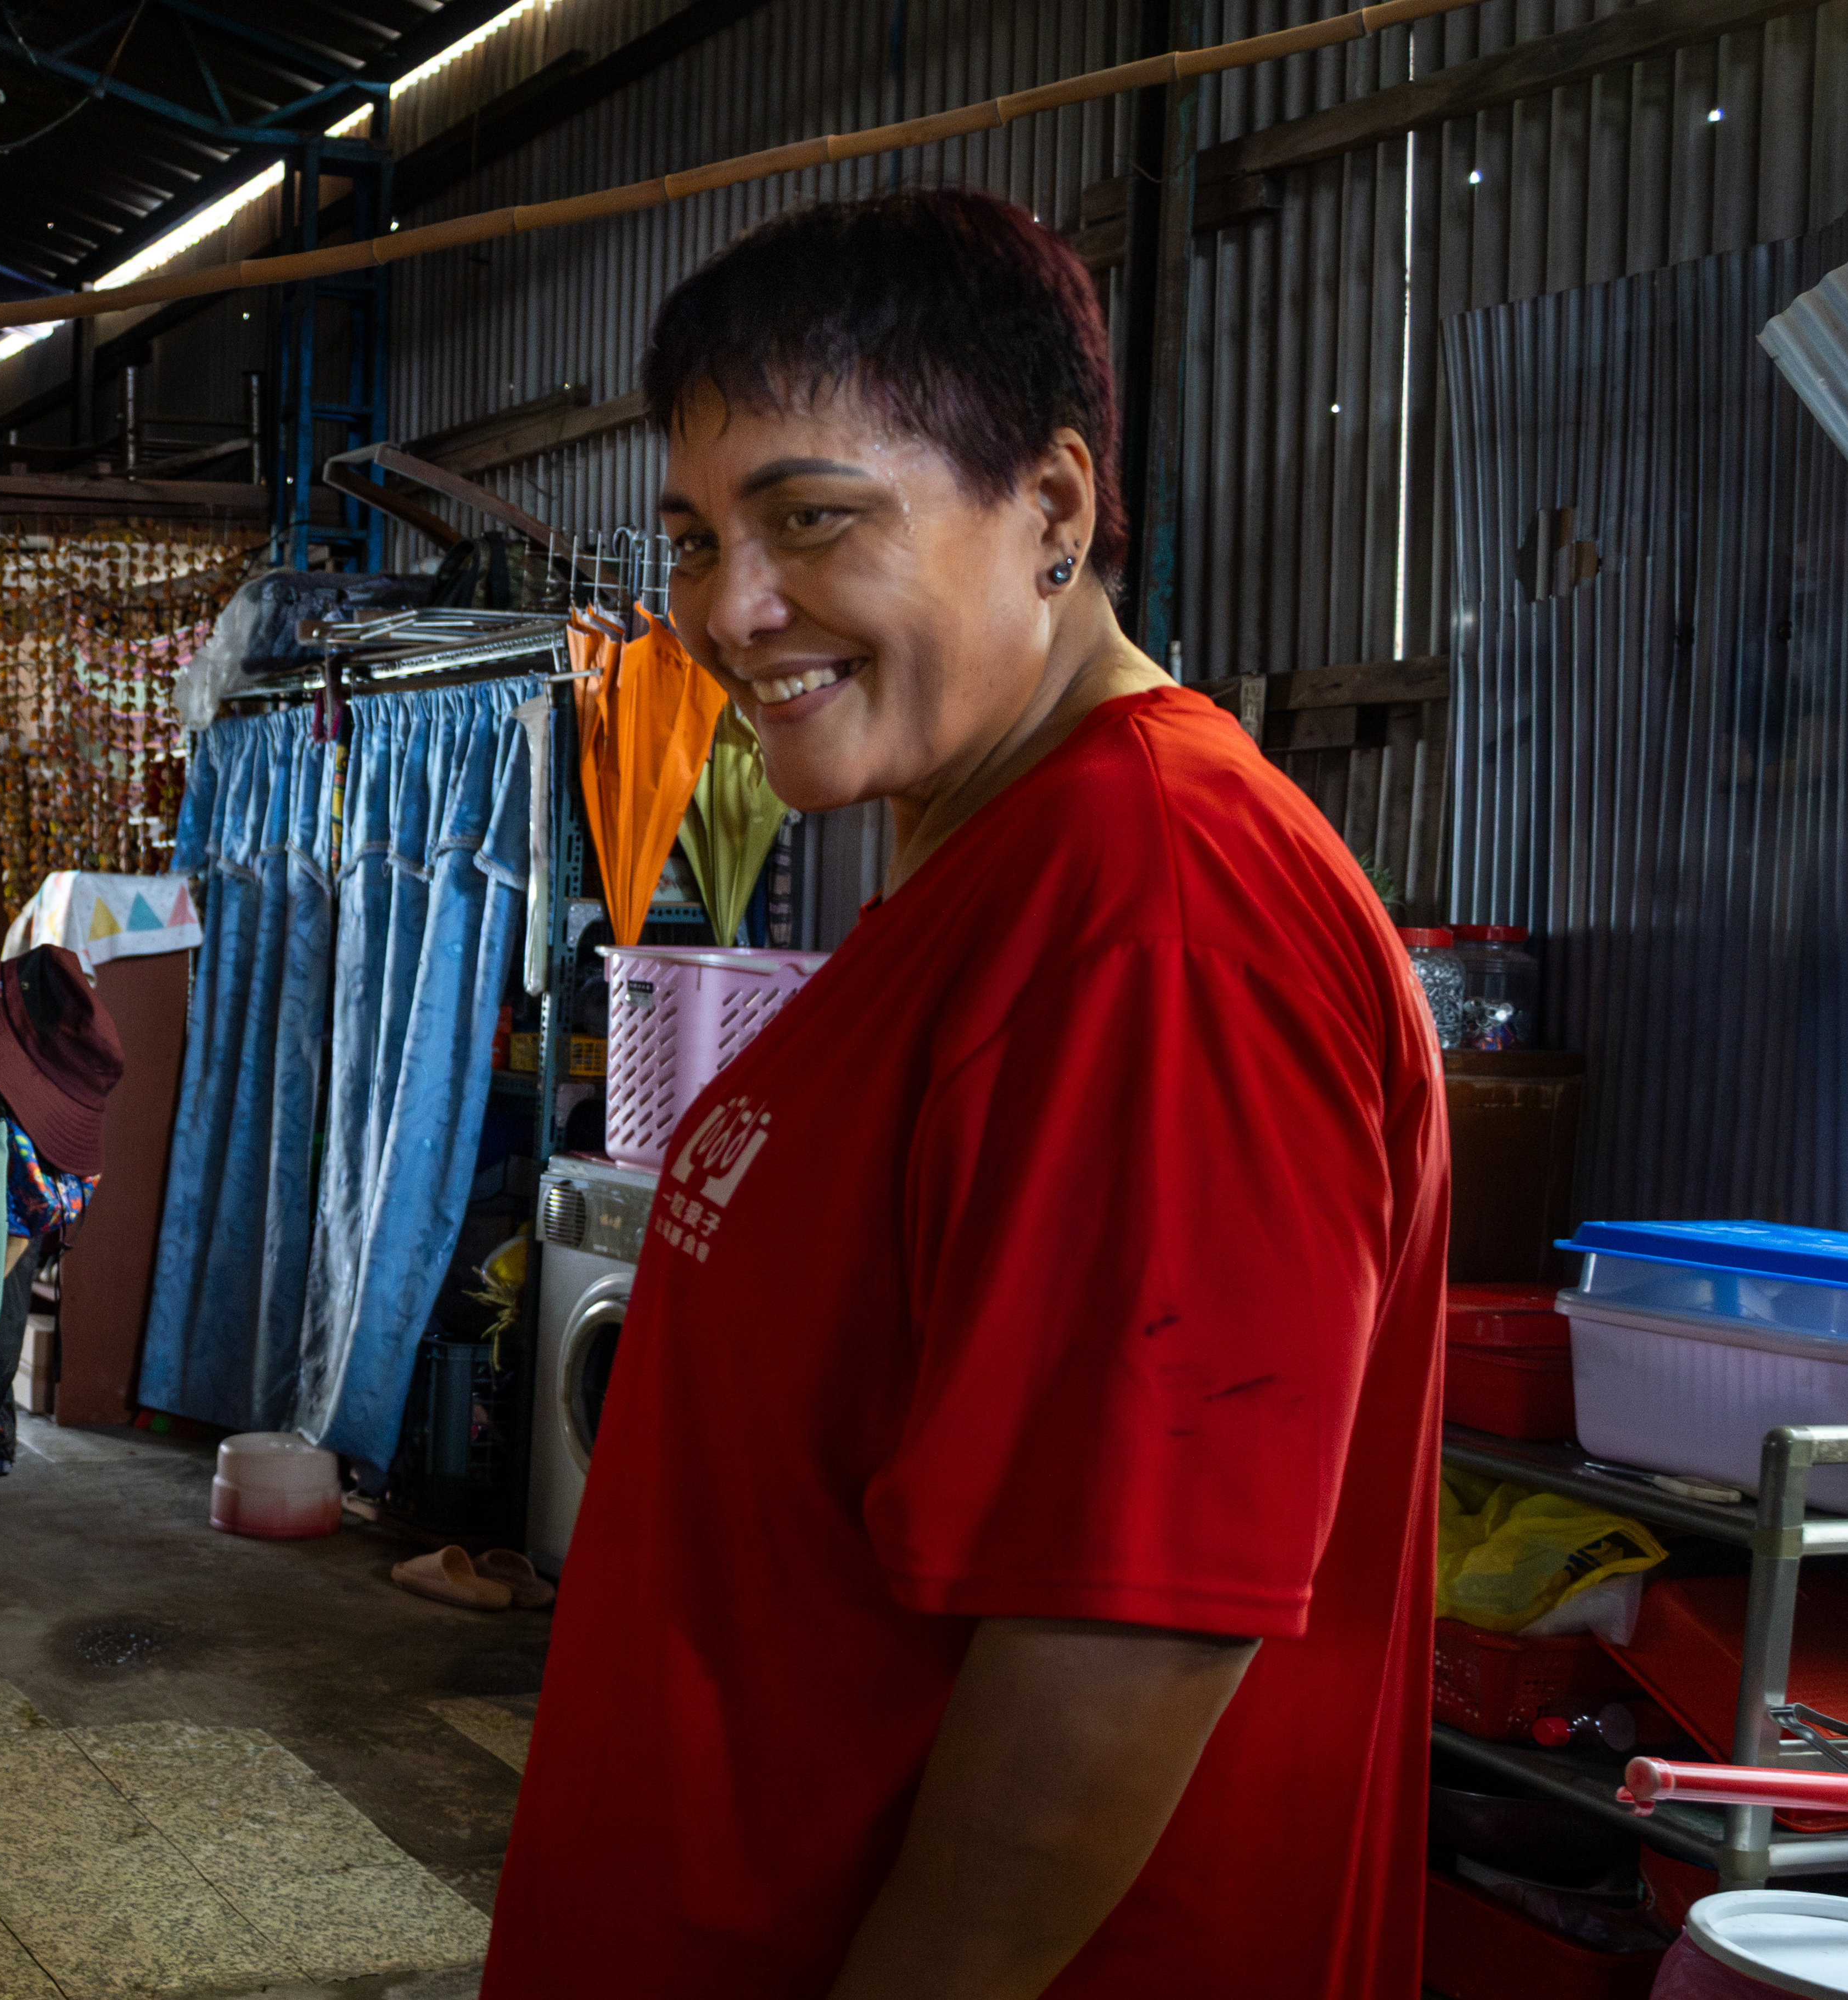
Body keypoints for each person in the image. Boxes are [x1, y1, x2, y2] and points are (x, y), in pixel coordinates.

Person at [482, 192, 1446, 2000]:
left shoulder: (1156, 898)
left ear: (1051, 514)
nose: (727, 607)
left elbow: (1125, 1614)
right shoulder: (1005, 860)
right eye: (694, 536)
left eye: (812, 517)